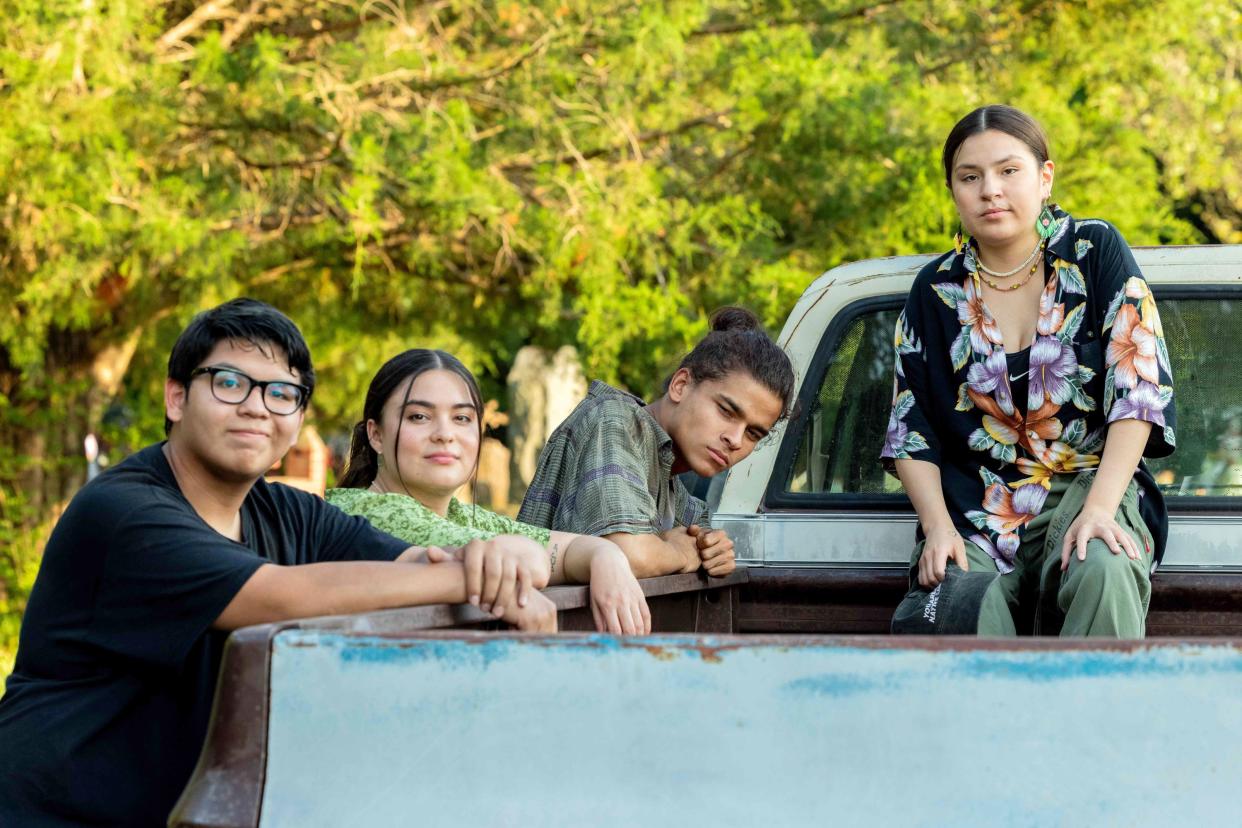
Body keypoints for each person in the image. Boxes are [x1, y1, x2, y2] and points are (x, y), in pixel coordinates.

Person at [0, 299, 555, 828]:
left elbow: (414, 562)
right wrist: (475, 578)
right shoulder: (125, 511)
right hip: (50, 813)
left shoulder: (289, 512)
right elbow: (272, 596)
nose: (256, 407)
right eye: (230, 383)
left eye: (281, 392)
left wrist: (500, 559)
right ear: (176, 398)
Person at [882, 104, 1176, 637]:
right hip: (974, 511)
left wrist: (1102, 510)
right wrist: (938, 529)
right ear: (954, 190)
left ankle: (1092, 720)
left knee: (1104, 568)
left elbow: (1139, 392)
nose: (990, 190)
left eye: (1008, 170)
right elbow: (911, 431)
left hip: (1092, 488)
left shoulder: (1094, 251)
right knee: (955, 604)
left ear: (1044, 178)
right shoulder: (934, 290)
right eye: (970, 177)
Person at [326, 349, 652, 634]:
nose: (445, 434)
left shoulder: (462, 517)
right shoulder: (364, 511)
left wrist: (607, 556)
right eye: (419, 416)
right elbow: (531, 562)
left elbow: (569, 551)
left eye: (462, 418)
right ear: (376, 434)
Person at [518, 307, 795, 579]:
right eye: (726, 411)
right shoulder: (616, 420)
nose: (735, 440)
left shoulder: (671, 481)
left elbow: (698, 537)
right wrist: (682, 552)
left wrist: (713, 550)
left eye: (753, 434)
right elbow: (626, 555)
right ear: (681, 385)